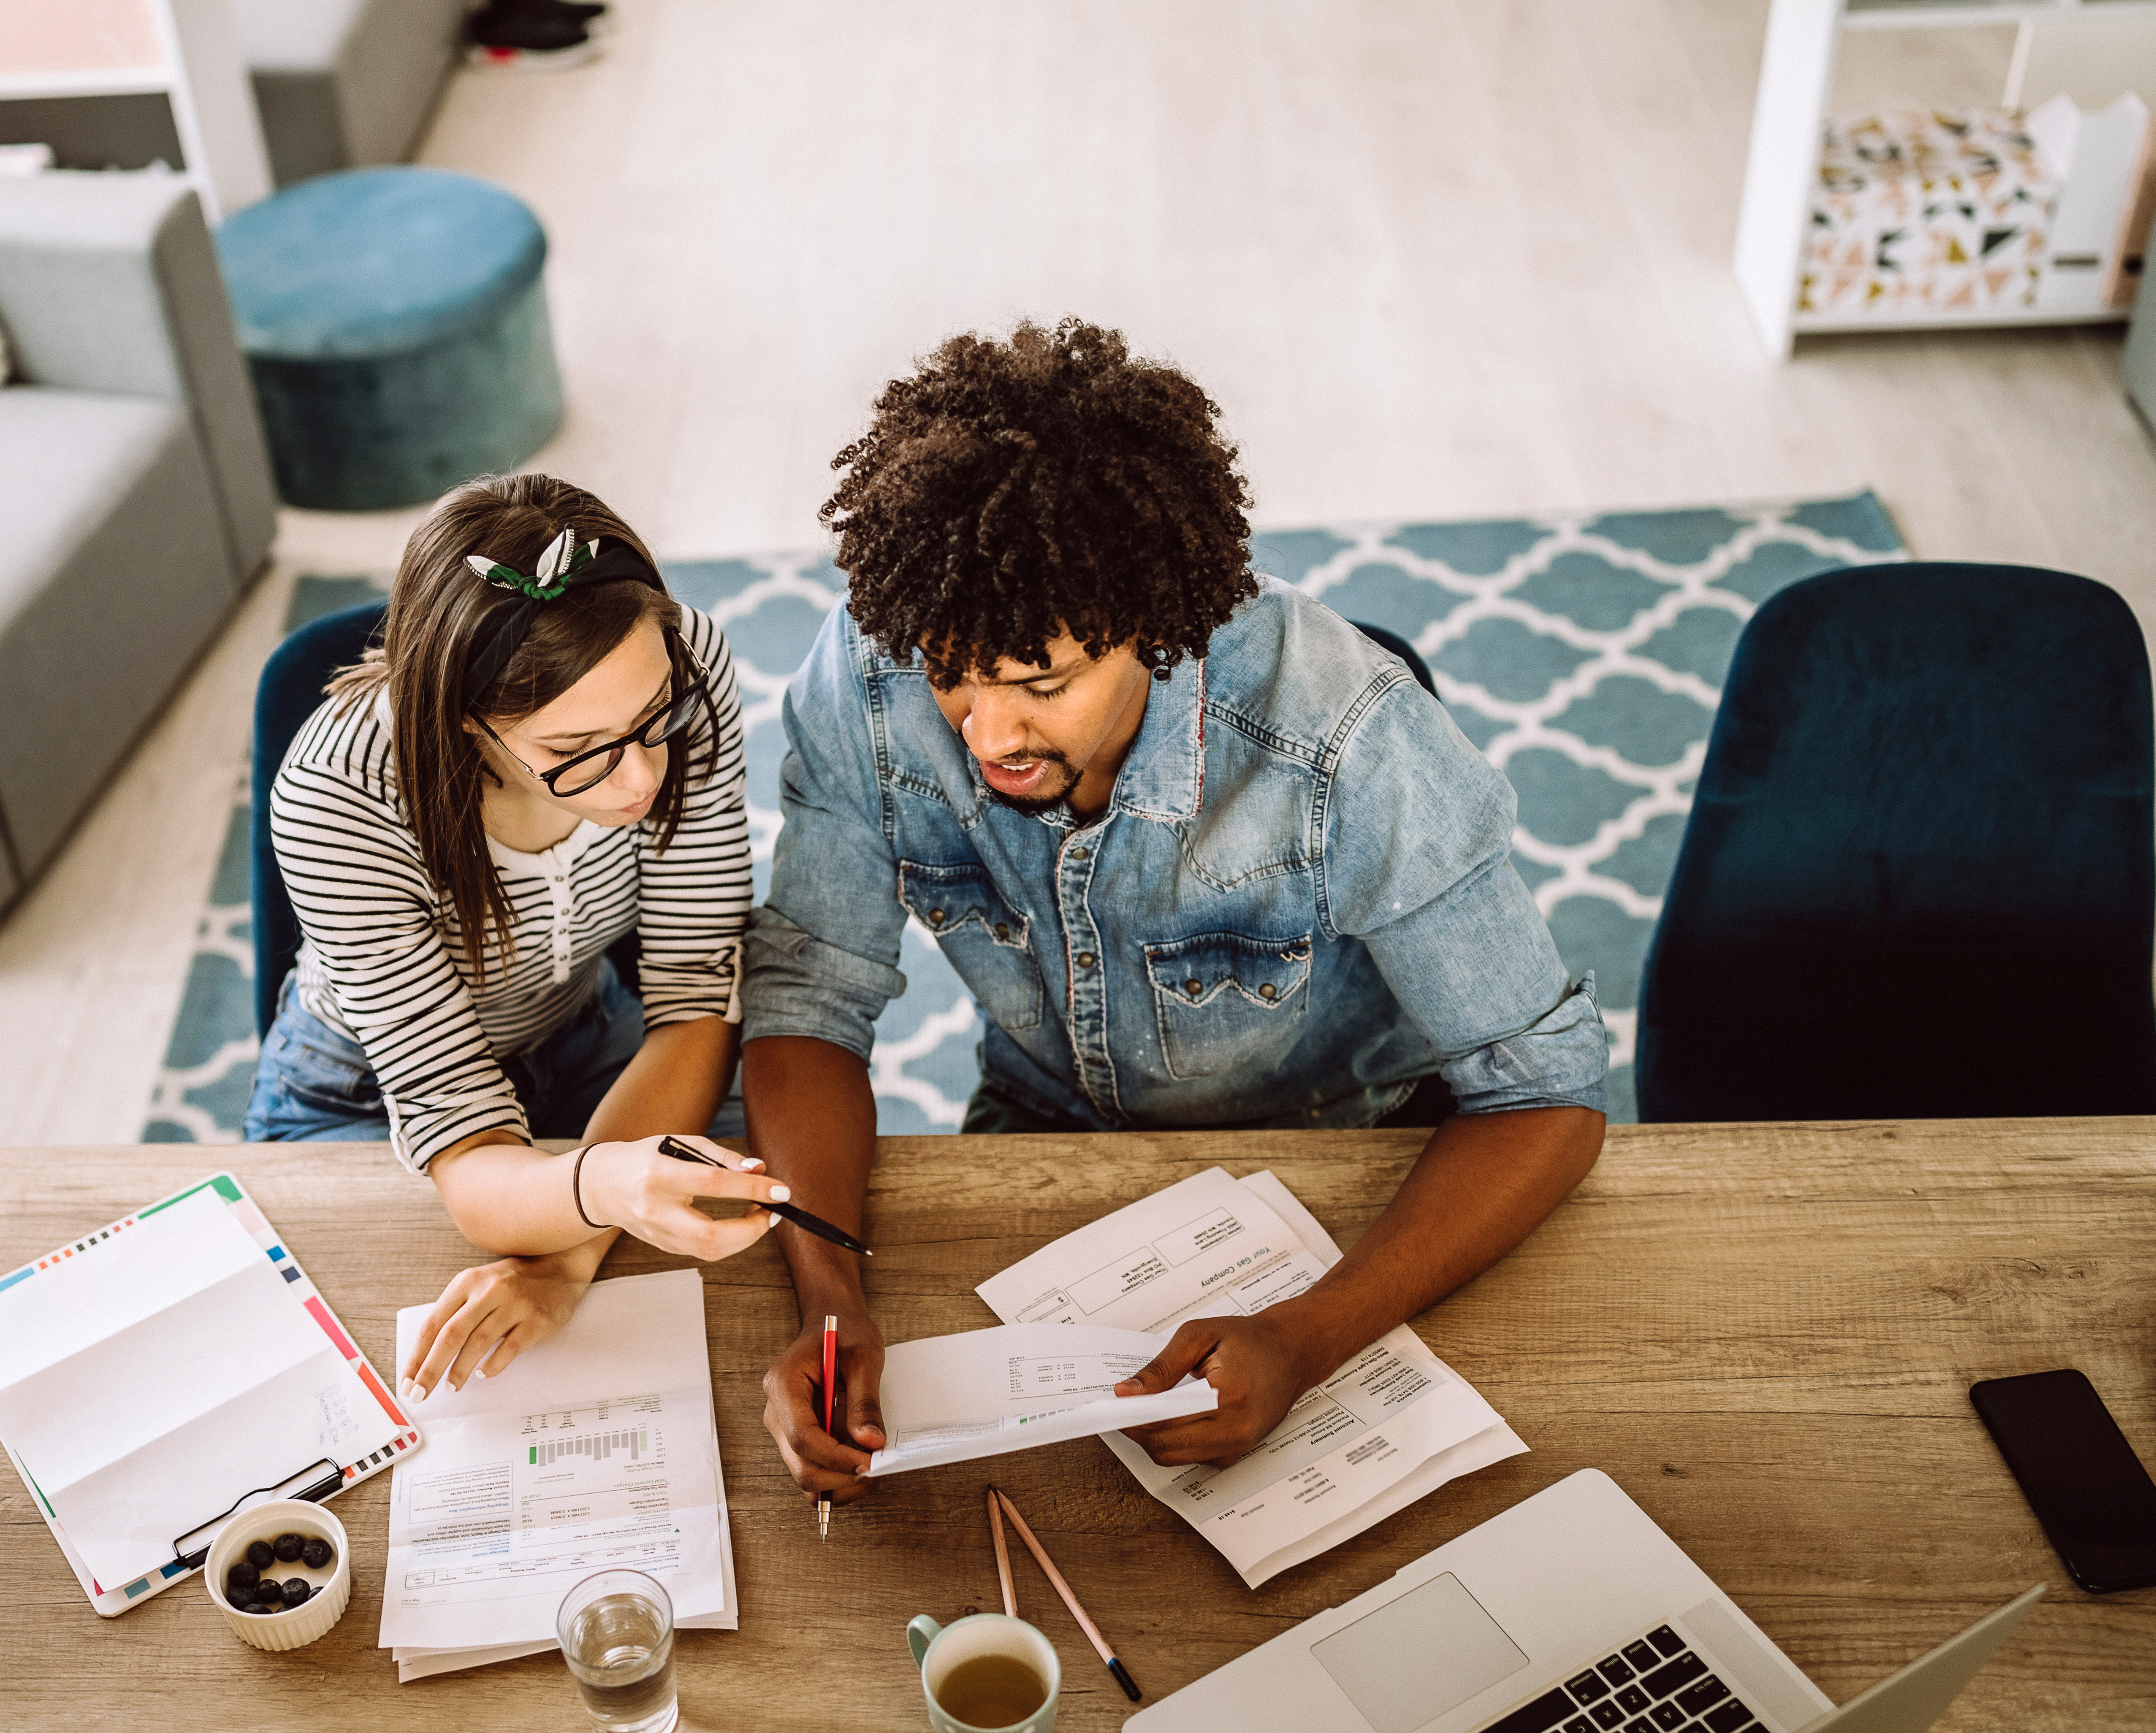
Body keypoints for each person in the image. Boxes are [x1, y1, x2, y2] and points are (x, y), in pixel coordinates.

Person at [741, 319, 1609, 1507]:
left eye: (1042, 685)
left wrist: (1308, 1337)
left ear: (1156, 630)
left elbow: (1547, 1094)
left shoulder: (1347, 737)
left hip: (1339, 1158)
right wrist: (832, 1303)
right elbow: (807, 1000)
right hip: (1037, 1126)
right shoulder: (868, 673)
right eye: (955, 672)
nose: (988, 736)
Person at [246, 474, 790, 1405]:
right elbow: (466, 1148)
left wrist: (564, 1260)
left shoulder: (686, 655)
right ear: (466, 719)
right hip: (363, 1088)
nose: (640, 779)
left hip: (586, 1030)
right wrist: (606, 1190)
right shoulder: (336, 798)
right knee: (333, 1377)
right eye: (579, 749)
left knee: (767, 1254)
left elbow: (697, 992)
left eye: (654, 720)